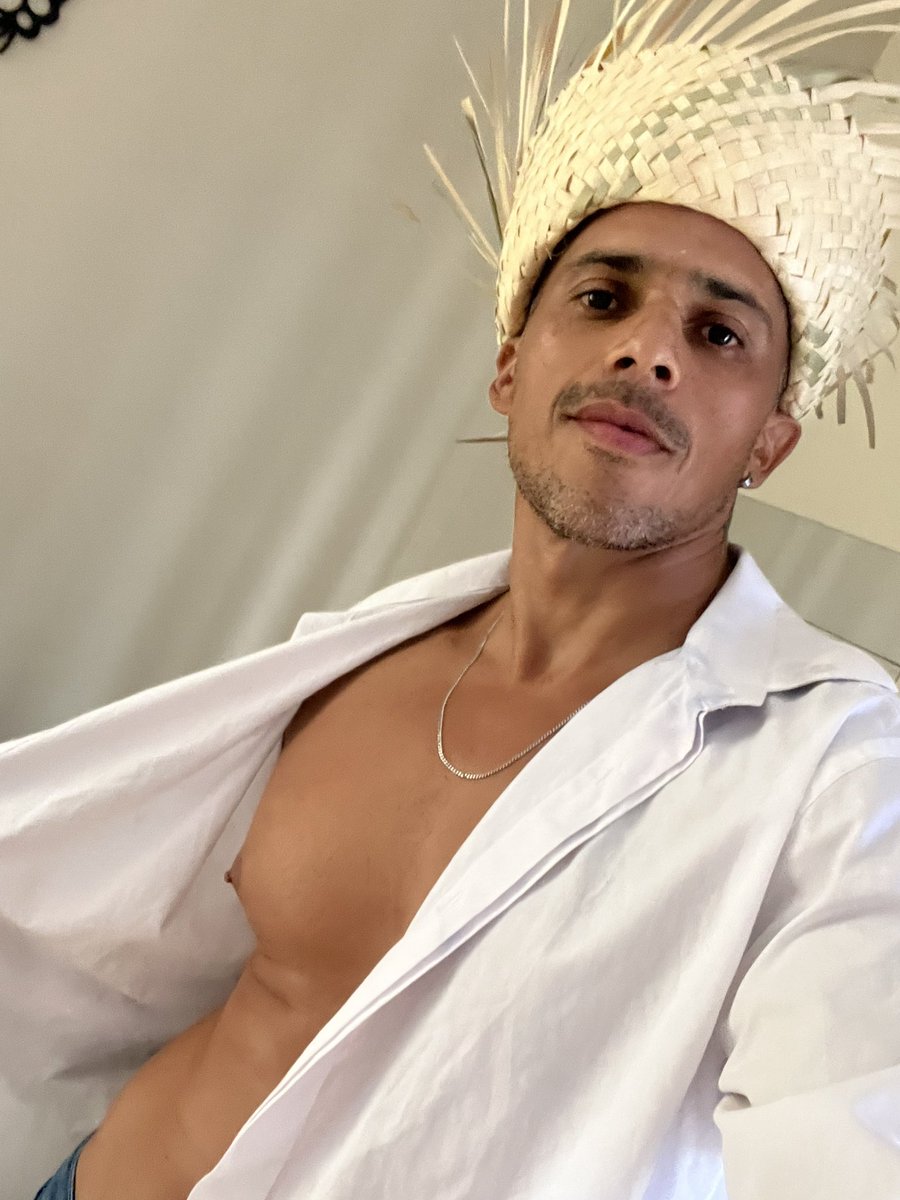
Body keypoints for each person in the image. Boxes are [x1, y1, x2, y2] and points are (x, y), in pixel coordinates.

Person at [11, 1, 900, 1198]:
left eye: (718, 333)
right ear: (510, 365)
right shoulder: (358, 662)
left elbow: (852, 1127)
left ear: (769, 446)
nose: (648, 352)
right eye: (603, 298)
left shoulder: (837, 769)